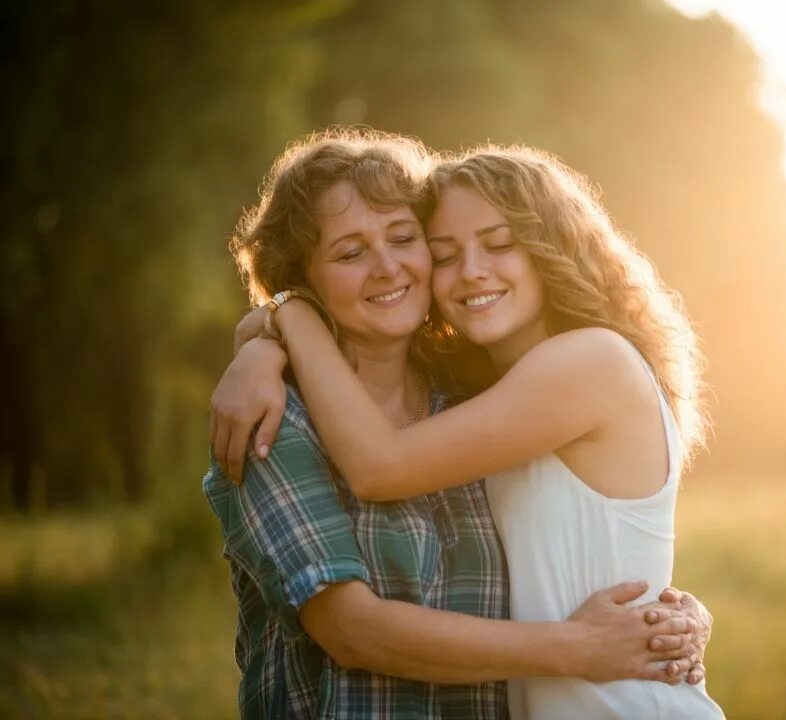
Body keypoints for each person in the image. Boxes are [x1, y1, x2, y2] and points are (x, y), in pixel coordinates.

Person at [205, 129, 710, 719]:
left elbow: (381, 466)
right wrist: (270, 331)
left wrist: (284, 316)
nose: (470, 271)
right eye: (445, 253)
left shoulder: (573, 367)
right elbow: (351, 627)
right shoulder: (292, 416)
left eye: (499, 244)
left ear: (550, 249)